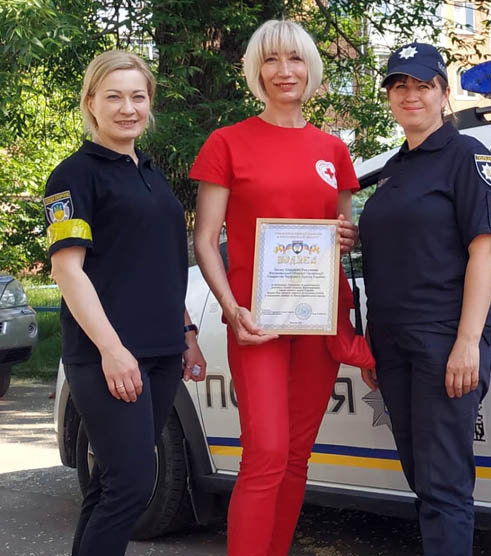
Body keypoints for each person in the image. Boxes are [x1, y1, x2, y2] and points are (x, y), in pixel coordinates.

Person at [190, 20, 359, 556]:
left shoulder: (333, 149)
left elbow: (341, 233)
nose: (284, 71)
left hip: (318, 320)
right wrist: (231, 308)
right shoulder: (227, 142)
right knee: (265, 453)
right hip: (255, 321)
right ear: (255, 71)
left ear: (311, 68)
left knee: (295, 457)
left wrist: (347, 237)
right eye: (271, 60)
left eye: (295, 59)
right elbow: (204, 241)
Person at [44, 50, 206, 556]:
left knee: (114, 482)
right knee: (133, 484)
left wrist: (186, 333)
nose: (127, 108)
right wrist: (113, 351)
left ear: (150, 102)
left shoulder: (152, 176)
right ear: (91, 102)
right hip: (107, 356)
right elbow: (67, 271)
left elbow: (161, 266)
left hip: (161, 351)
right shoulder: (73, 176)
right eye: (114, 96)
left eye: (138, 96)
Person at [358, 42, 491, 556]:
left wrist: (468, 342)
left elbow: (484, 252)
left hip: (443, 338)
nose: (411, 95)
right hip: (392, 343)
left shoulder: (466, 156)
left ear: (443, 94)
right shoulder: (395, 168)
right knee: (422, 479)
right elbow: (401, 250)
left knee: (444, 485)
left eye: (423, 85)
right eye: (399, 85)